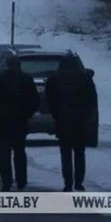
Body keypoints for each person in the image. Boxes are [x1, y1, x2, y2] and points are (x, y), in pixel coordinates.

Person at [0, 54, 40, 191]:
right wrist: (27, 114)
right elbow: (34, 100)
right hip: (20, 121)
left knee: (3, 153)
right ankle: (21, 181)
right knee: (19, 152)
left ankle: (6, 181)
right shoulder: (26, 79)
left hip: (2, 122)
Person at [46, 54, 98, 192]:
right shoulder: (85, 79)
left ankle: (67, 182)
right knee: (80, 152)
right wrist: (87, 117)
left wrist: (56, 115)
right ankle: (79, 182)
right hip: (80, 121)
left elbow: (49, 100)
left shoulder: (54, 79)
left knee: (66, 153)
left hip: (63, 120)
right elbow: (92, 100)